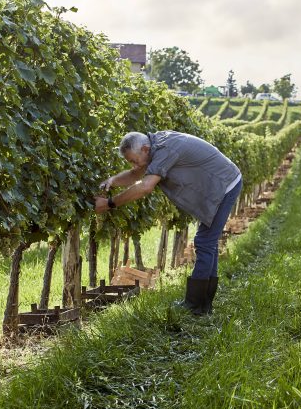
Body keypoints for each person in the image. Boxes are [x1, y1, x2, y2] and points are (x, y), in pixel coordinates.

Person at [96, 130, 242, 315]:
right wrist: (112, 181)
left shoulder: (165, 149)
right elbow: (136, 173)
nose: (133, 165)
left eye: (133, 159)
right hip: (218, 185)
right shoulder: (153, 148)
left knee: (205, 242)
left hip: (225, 185)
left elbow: (145, 186)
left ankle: (194, 306)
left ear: (145, 149)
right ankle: (204, 304)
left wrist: (109, 203)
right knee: (208, 243)